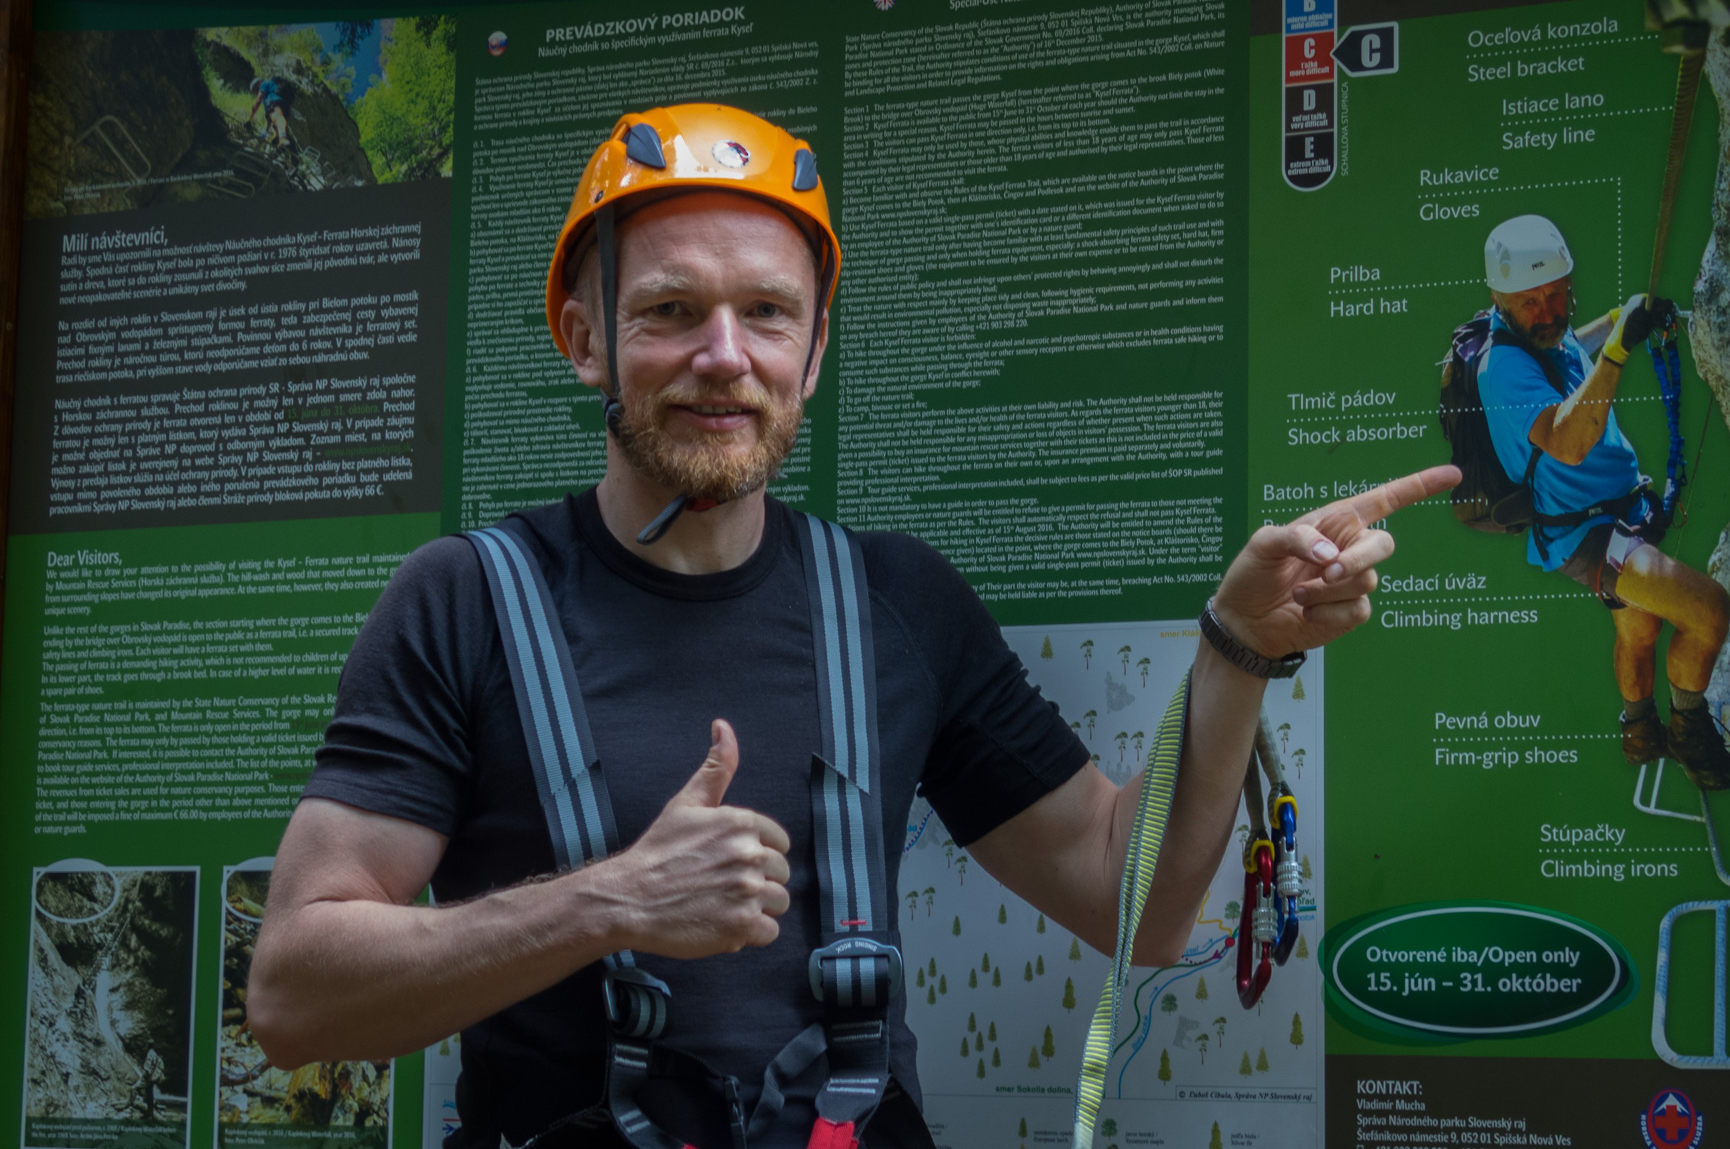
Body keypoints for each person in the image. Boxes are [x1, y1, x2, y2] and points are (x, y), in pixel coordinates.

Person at [245, 104, 1456, 1149]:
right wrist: (604, 901)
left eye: (768, 313)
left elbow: (1126, 897)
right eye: (670, 309)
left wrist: (1235, 650)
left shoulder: (894, 601)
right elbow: (294, 995)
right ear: (583, 338)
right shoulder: (465, 599)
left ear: (814, 350)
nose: (726, 357)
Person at [1474, 214, 1730, 789]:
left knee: (1638, 631)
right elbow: (1568, 443)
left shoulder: (1540, 331)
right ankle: (1690, 733)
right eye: (1531, 303)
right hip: (1585, 533)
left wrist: (1620, 321)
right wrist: (1617, 355)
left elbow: (1571, 343)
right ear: (1499, 301)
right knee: (1707, 609)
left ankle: (1640, 732)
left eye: (1557, 294)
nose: (1549, 311)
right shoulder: (1503, 371)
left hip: (1612, 511)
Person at [246, 76, 297, 151]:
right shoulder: (272, 87)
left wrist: (249, 120)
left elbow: (258, 101)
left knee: (277, 118)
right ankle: (294, 154)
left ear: (257, 84)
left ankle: (282, 138)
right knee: (278, 125)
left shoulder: (263, 84)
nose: (256, 92)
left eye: (255, 90)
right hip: (284, 103)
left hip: (274, 102)